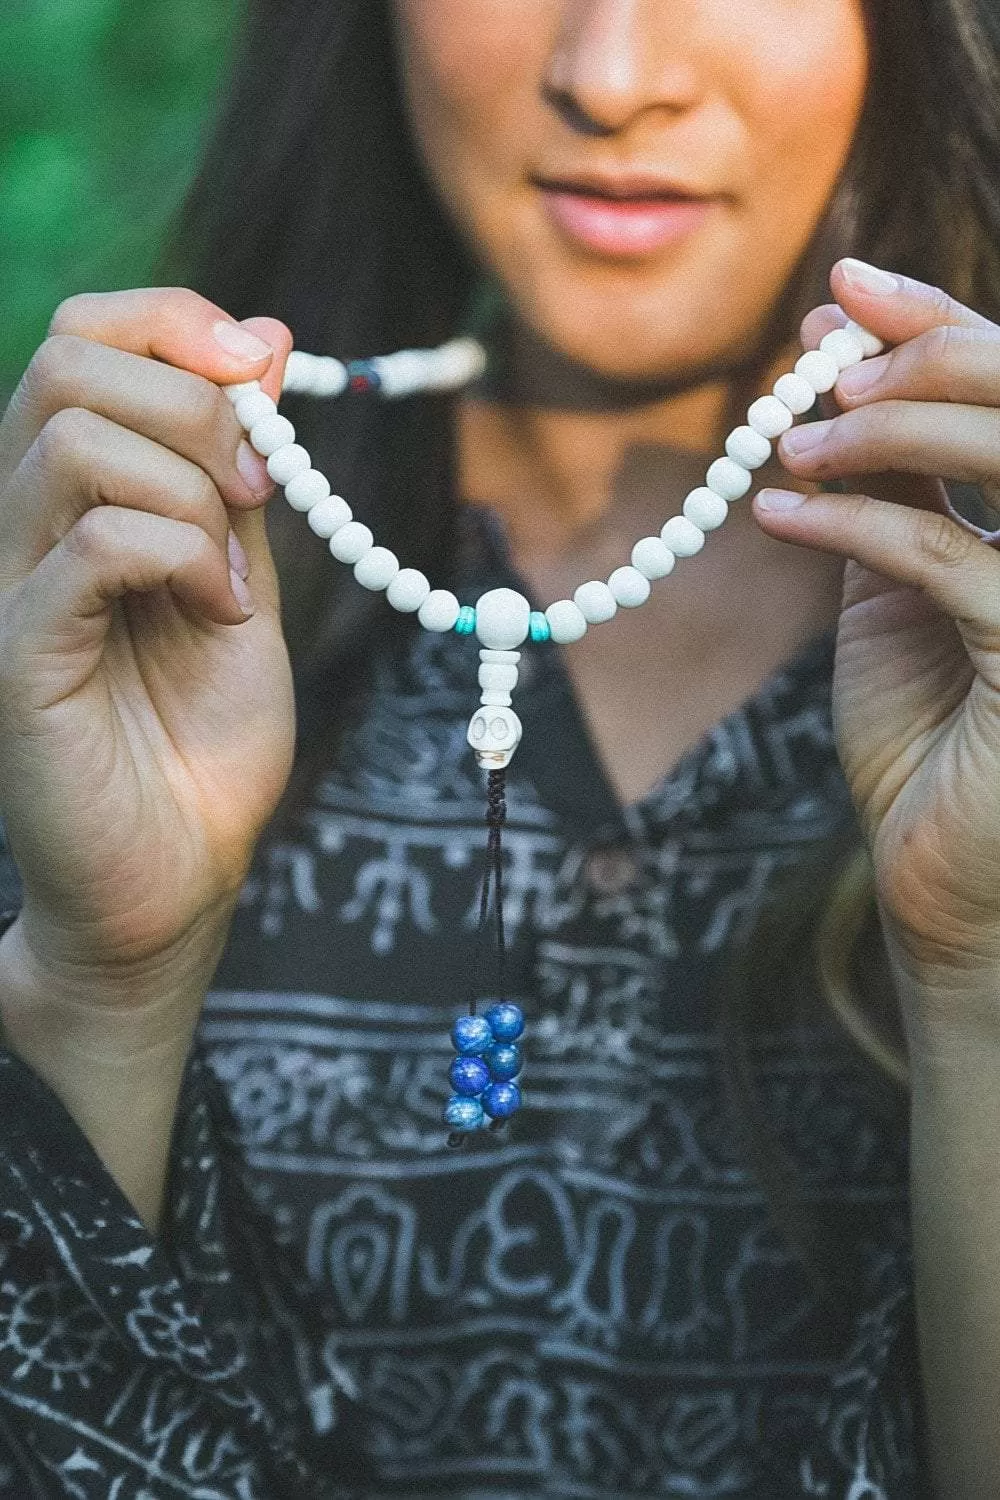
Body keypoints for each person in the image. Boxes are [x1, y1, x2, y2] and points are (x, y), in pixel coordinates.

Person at [0, 0, 999, 1493]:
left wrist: (980, 974)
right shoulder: (122, 591)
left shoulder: (961, 641)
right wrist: (98, 992)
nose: (610, 74)